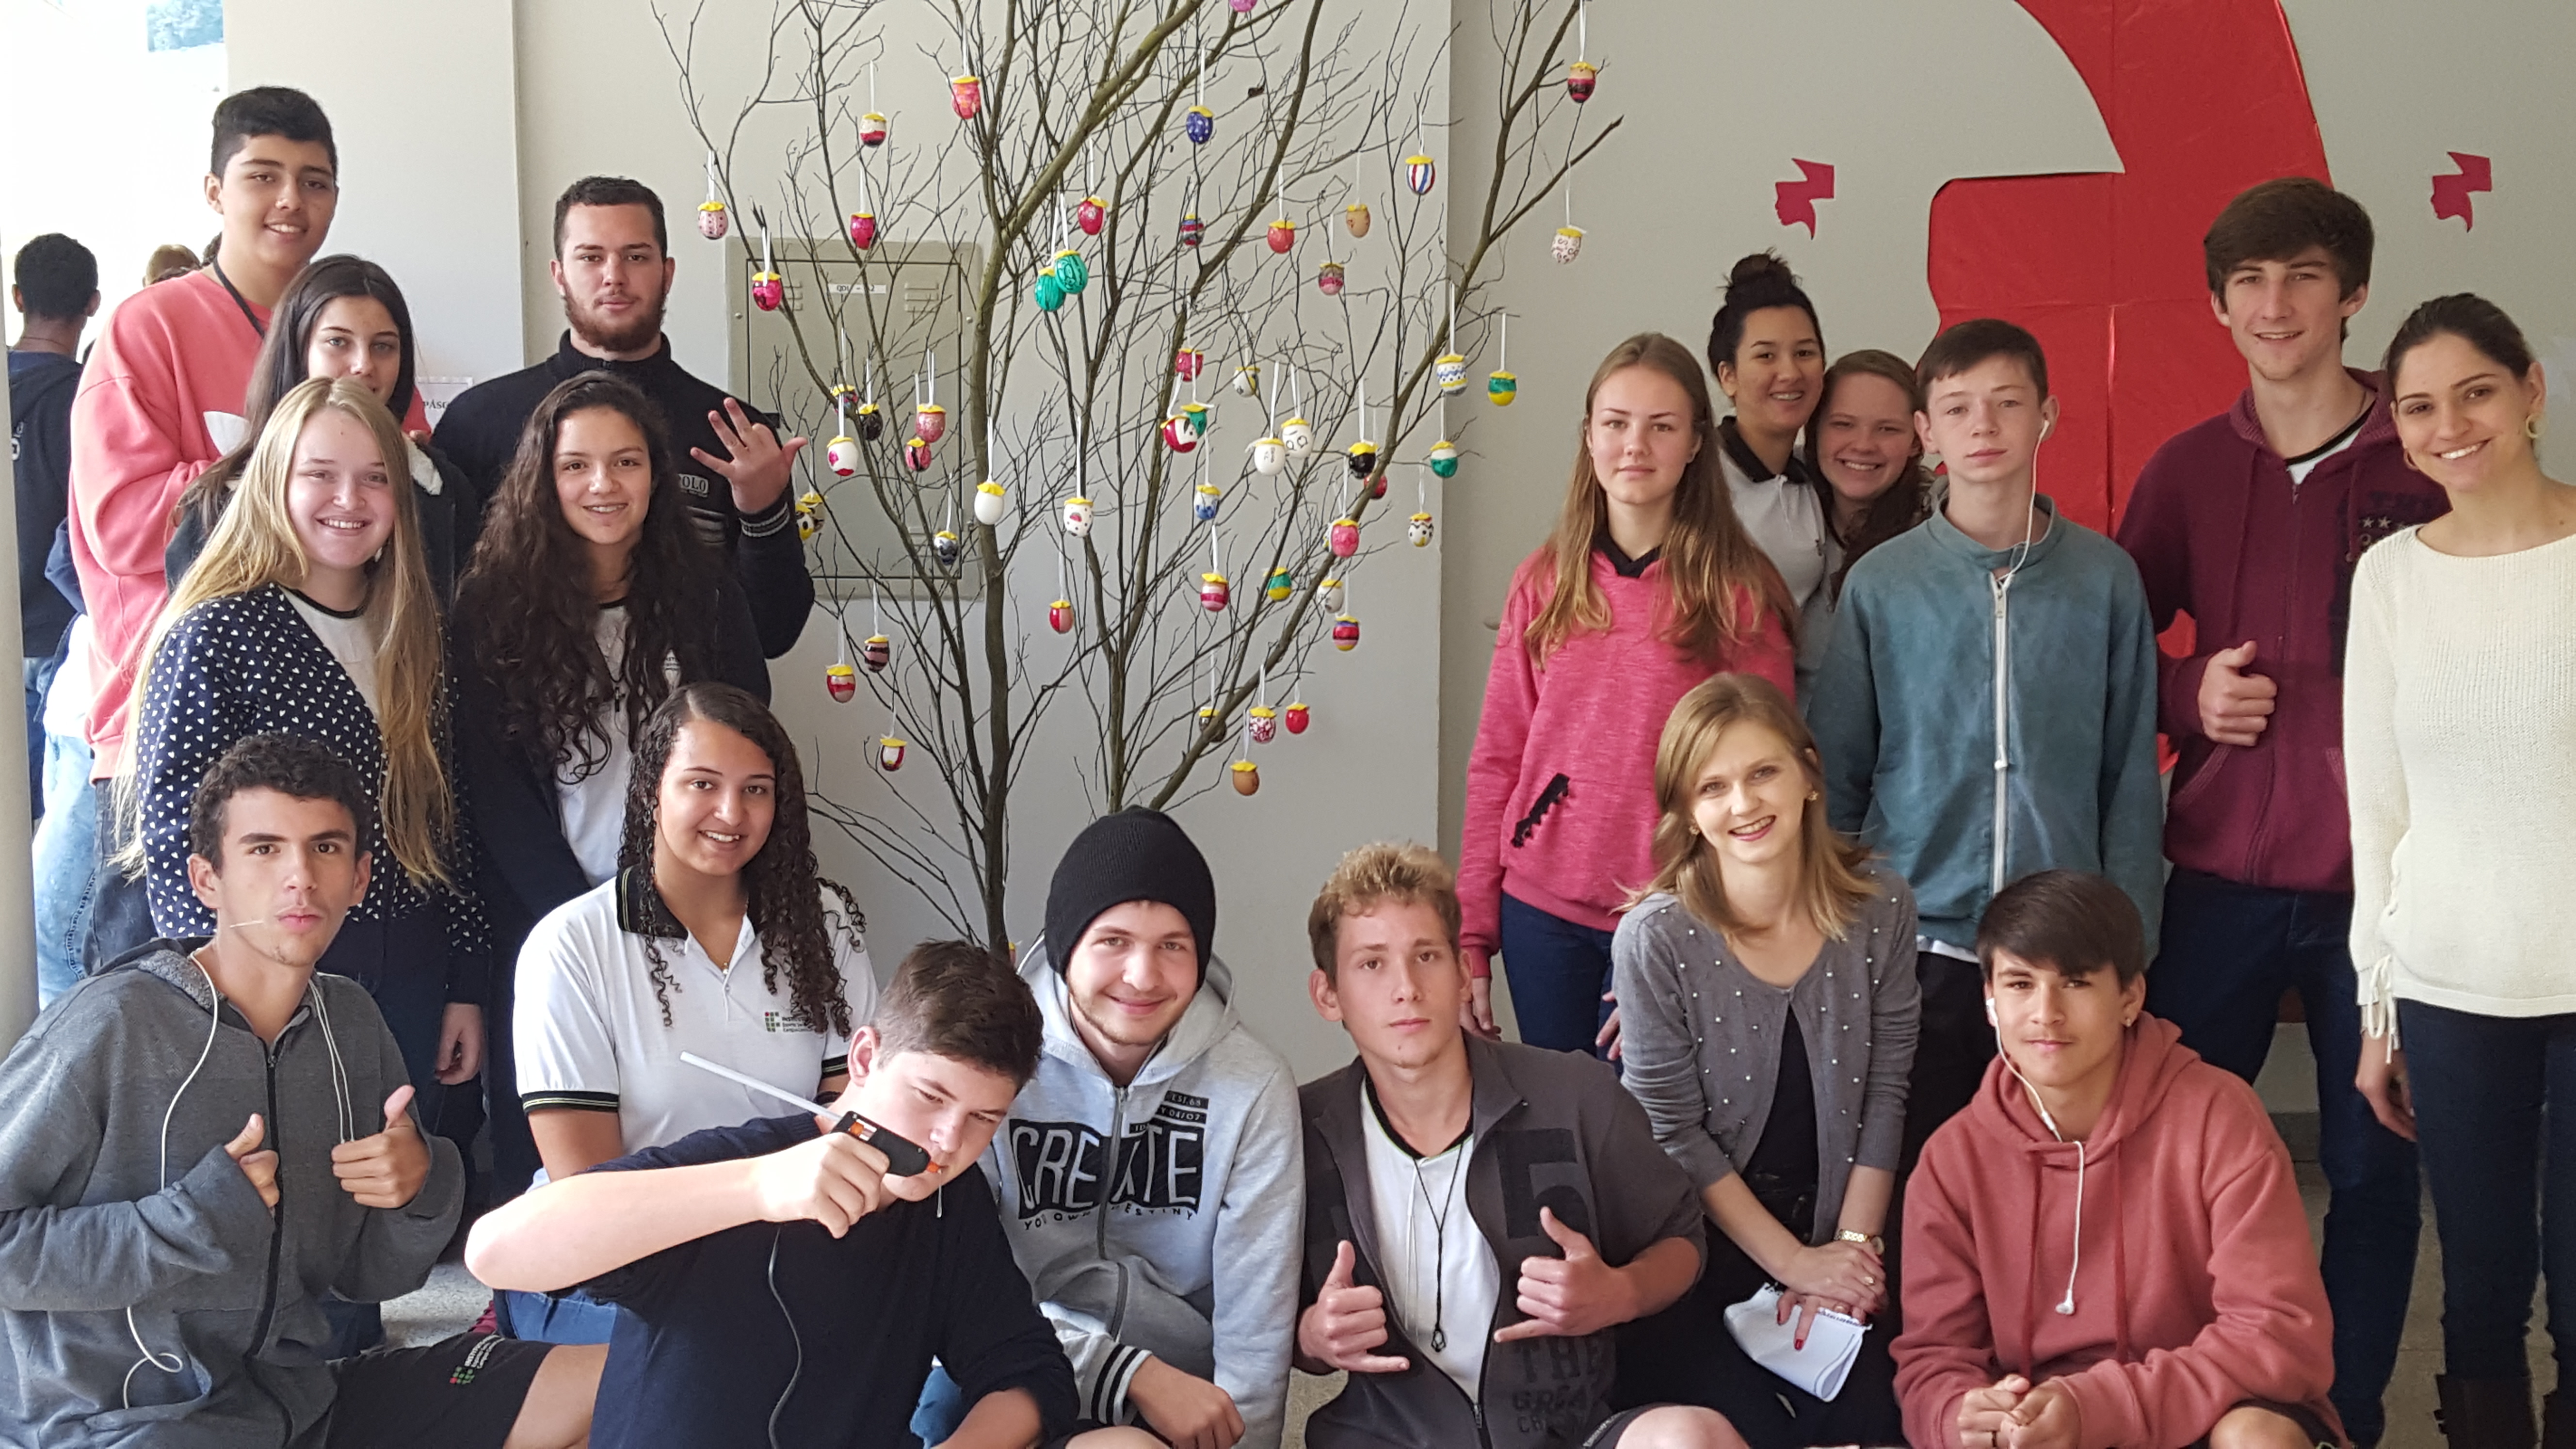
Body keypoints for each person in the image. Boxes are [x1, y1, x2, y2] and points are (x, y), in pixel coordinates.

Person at [0, 732, 603, 1449]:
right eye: (264, 849)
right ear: (205, 879)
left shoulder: (350, 1022)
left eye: (325, 848)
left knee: (614, 1381)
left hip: (302, 1404)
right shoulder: (113, 1022)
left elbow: (370, 1277)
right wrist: (189, 1221)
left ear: (360, 877)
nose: (301, 878)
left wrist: (419, 1189)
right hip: (127, 1426)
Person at [2114, 178, 2442, 1449]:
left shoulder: (2425, 457)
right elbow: (2106, 644)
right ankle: (2177, 1403)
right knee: (2169, 1158)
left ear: (2352, 294)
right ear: (2218, 305)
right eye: (2248, 281)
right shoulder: (2188, 469)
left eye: (2302, 275)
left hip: (2386, 892)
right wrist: (2187, 692)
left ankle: (2337, 1418)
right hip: (2219, 888)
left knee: (2373, 1169)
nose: (2274, 303)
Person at [466, 939, 1159, 1449]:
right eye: (930, 1096)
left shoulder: (951, 1201)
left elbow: (1027, 1368)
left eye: (984, 1118)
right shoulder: (743, 1162)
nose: (949, 1141)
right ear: (864, 1058)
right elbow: (496, 1253)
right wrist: (756, 1189)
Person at [68, 86, 425, 971]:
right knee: (167, 992)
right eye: (263, 176)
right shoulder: (149, 327)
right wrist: (273, 467)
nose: (290, 202)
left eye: (315, 181)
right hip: (169, 720)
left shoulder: (356, 339)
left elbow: (396, 512)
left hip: (346, 734)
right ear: (214, 191)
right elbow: (122, 526)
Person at [1805, 319, 2163, 1168]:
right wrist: (1837, 932)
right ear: (1925, 430)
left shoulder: (2105, 580)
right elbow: (1839, 774)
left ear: (2047, 415)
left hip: (2062, 950)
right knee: (1917, 1170)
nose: (1984, 426)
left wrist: (2131, 941)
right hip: (1918, 942)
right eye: (1958, 407)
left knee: (2057, 1174)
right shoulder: (1882, 585)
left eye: (2007, 404)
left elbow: (2128, 778)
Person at [1295, 841, 1749, 1449]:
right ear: (1328, 995)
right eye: (1371, 964)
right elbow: (1260, 1324)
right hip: (1386, 1438)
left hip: (1568, 1432)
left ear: (1462, 973)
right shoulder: (1300, 1132)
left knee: (1692, 1437)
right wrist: (1312, 1336)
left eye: (1426, 956)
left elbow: (1682, 1240)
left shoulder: (1575, 1096)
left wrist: (1617, 1294)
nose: (1406, 988)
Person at [129, 375, 488, 1126]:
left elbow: (449, 815)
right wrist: (216, 1007)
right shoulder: (216, 632)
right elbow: (174, 837)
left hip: (411, 969)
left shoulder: (419, 629)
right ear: (274, 484)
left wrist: (466, 982)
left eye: (375, 479)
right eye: (320, 475)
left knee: (397, 1176)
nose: (349, 499)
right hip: (272, 976)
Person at [2347, 293, 2576, 1449]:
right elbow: (2376, 813)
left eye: (2474, 393)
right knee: (2478, 1291)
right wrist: (2375, 1007)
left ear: (2529, 391)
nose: (2449, 427)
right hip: (2448, 986)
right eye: (2418, 407)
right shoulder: (2389, 579)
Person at [451, 370, 770, 1197]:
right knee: (558, 1152)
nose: (604, 485)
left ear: (656, 476)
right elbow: (493, 792)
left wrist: (689, 897)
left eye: (626, 462)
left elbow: (747, 749)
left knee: (687, 1126)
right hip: (549, 914)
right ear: (542, 477)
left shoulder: (707, 597)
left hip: (694, 908)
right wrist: (587, 917)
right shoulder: (490, 609)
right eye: (577, 465)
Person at [1892, 869, 2339, 1449]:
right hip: (2039, 1427)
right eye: (2020, 984)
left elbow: (2277, 1333)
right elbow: (1933, 1357)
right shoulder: (1952, 1158)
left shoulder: (2217, 1114)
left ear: (2129, 997)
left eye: (2075, 983)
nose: (2045, 1013)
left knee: (2255, 1438)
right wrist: (1960, 1415)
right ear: (1989, 1001)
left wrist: (2099, 1407)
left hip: (2200, 1408)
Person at [505, 681, 875, 1343]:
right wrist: (753, 1198)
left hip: (784, 1247)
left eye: (756, 789)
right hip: (620, 1266)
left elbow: (855, 1107)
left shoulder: (823, 923)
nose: (731, 813)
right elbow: (590, 1190)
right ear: (652, 790)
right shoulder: (571, 946)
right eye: (702, 784)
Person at [1459, 332, 1794, 1055]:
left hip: (1678, 915)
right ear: (1589, 436)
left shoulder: (1738, 593)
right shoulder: (1543, 582)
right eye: (1616, 424)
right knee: (1559, 1113)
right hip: (1541, 915)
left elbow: (1769, 784)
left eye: (1661, 427)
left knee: (1647, 1121)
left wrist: (1713, 925)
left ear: (1696, 443)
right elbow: (1497, 760)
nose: (1635, 446)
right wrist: (1472, 936)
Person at [1610, 674, 1918, 1448]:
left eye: (1763, 772)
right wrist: (1795, 1264)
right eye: (1712, 787)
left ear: (1809, 774)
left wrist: (1851, 1257)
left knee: (1888, 1423)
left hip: (1846, 1225)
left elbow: (1887, 1089)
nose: (1743, 804)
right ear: (1686, 812)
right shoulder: (1656, 939)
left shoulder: (1881, 907)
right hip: (1702, 1246)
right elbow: (1673, 1135)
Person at [931, 807, 1299, 1449]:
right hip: (1003, 1370)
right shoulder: (994, 1065)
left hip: (1178, 1397)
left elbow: (1256, 1321)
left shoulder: (1253, 1086)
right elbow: (960, 1293)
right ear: (1067, 946)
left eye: (1172, 946)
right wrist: (1125, 1371)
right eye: (1113, 942)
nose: (1142, 976)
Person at [435, 175, 813, 659]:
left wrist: (763, 513)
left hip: (691, 704)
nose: (614, 276)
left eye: (635, 257)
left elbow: (773, 635)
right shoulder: (477, 423)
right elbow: (443, 617)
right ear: (558, 273)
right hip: (520, 700)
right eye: (591, 257)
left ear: (667, 273)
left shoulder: (735, 434)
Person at [168, 254, 482, 601]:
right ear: (297, 349)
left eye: (383, 347)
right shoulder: (223, 502)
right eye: (338, 342)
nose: (363, 365)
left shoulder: (441, 490)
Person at [1706, 252, 1831, 686]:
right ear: (1728, 376)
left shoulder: (1820, 476)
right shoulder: (1698, 478)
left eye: (1805, 353)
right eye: (1766, 356)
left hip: (1783, 708)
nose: (1790, 372)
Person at [9, 233, 96, 813]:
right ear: (93, 303)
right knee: (39, 819)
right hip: (53, 633)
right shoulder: (85, 402)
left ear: (18, 297)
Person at [1797, 349, 1934, 670]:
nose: (1863, 445)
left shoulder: (1943, 520)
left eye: (1888, 429)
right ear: (1814, 431)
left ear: (1918, 440)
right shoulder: (1783, 492)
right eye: (1843, 425)